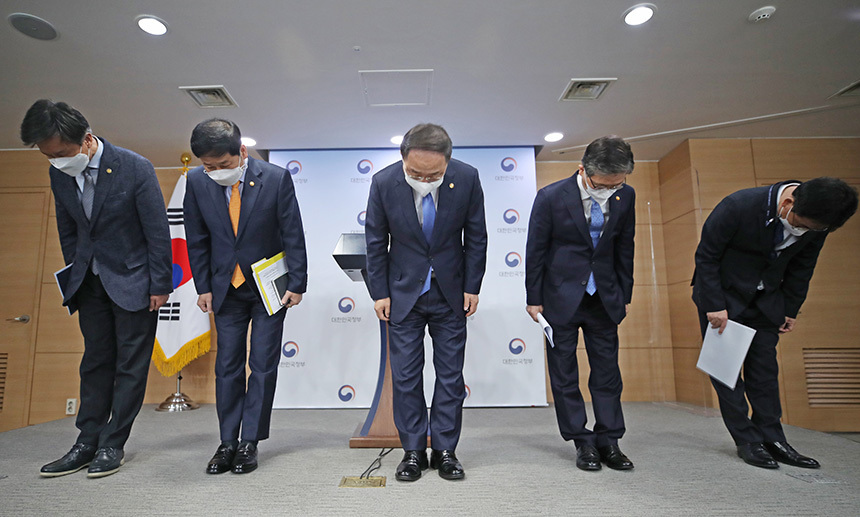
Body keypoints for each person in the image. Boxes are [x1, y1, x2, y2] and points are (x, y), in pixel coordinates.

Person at [20, 100, 173, 478]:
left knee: (130, 367)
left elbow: (157, 231)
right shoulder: (60, 174)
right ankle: (85, 442)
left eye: (60, 153)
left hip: (135, 282)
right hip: (89, 283)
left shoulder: (134, 167)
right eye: (48, 156)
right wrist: (75, 272)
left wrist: (160, 284)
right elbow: (68, 229)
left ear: (86, 140)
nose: (55, 161)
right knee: (94, 363)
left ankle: (112, 444)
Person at [693, 176, 857, 469]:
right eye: (802, 224)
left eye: (814, 229)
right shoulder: (738, 205)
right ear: (788, 203)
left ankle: (773, 438)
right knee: (726, 373)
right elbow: (707, 256)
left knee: (765, 372)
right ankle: (747, 440)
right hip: (724, 299)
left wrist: (791, 309)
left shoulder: (818, 223)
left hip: (767, 302)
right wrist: (715, 305)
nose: (805, 231)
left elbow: (802, 267)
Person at [183, 119, 307, 475]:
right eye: (209, 167)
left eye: (223, 165)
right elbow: (197, 238)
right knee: (227, 367)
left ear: (242, 152)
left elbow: (292, 232)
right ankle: (227, 442)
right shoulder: (195, 182)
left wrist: (297, 283)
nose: (216, 172)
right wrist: (202, 286)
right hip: (225, 288)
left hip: (269, 289)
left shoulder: (276, 178)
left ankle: (250, 441)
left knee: (263, 365)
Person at [365, 123, 487, 481]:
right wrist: (380, 293)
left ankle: (446, 450)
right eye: (415, 172)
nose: (423, 179)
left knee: (450, 377)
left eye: (433, 174)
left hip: (451, 292)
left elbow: (476, 234)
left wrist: (472, 285)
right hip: (404, 295)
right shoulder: (384, 182)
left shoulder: (467, 178)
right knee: (405, 377)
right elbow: (375, 240)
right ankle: (414, 451)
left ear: (447, 164)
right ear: (403, 159)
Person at [525, 135, 636, 471]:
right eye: (602, 185)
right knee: (563, 373)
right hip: (559, 298)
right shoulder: (550, 196)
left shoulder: (625, 195)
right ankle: (581, 440)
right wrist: (533, 298)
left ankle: (609, 439)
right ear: (583, 170)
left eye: (617, 184)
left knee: (607, 373)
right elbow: (535, 250)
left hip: (604, 298)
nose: (609, 190)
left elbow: (625, 246)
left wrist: (624, 295)